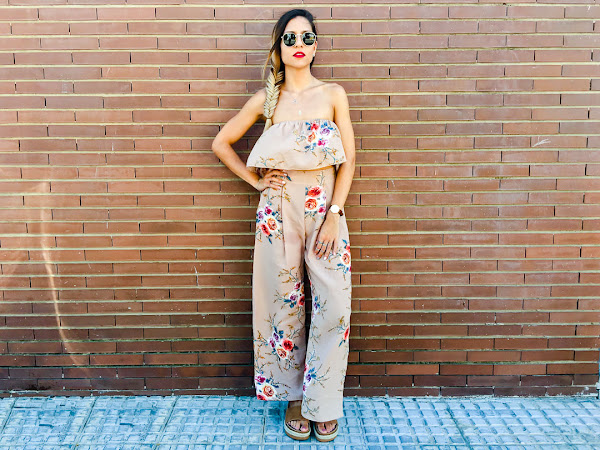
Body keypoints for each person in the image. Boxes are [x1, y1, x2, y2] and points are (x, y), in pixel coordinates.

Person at [211, 8, 355, 442]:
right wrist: (255, 181)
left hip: (325, 211)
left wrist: (335, 215)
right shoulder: (266, 100)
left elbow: (349, 162)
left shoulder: (333, 94)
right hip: (277, 212)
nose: (299, 45)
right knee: (282, 305)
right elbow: (221, 143)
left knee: (334, 305)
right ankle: (293, 398)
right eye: (290, 38)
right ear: (279, 46)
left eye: (307, 37)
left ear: (316, 45)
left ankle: (322, 401)